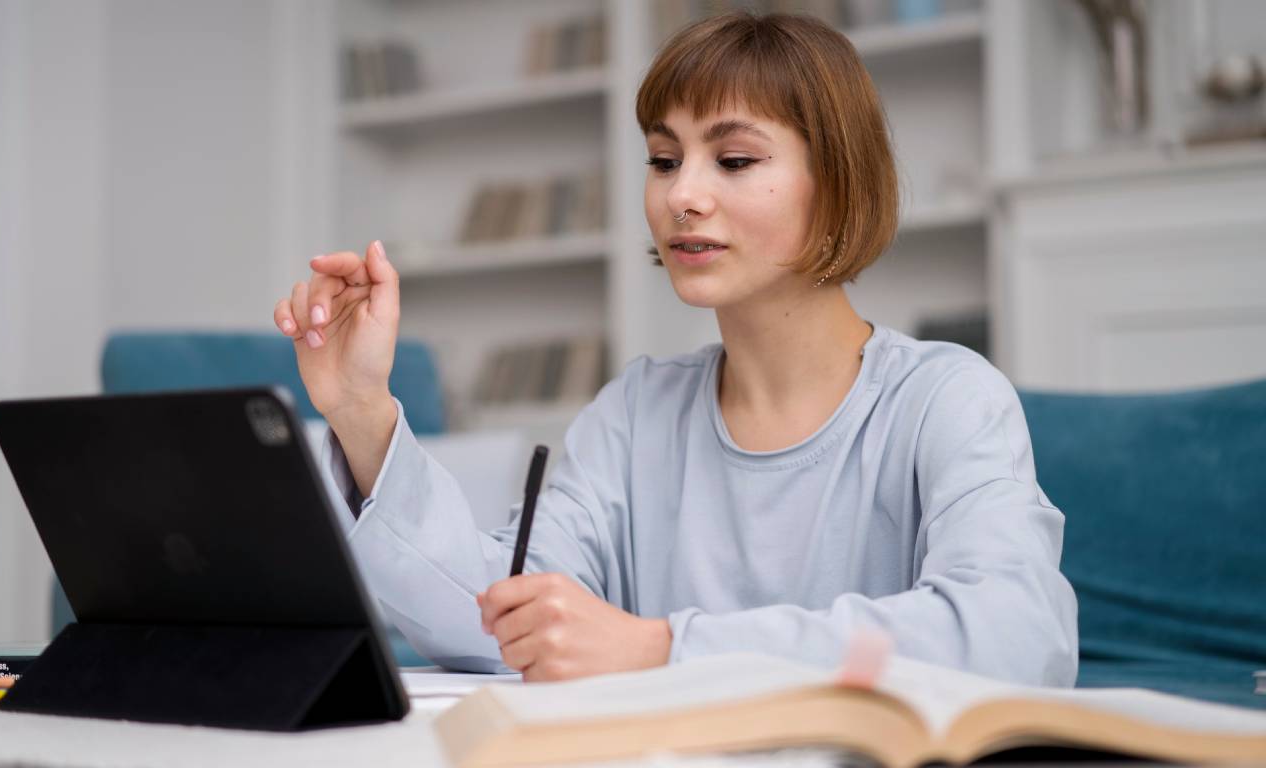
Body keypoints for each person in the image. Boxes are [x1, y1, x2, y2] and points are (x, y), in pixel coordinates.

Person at [272, 11, 1078, 686]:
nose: (681, 194)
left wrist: (663, 648)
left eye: (733, 160)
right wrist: (361, 410)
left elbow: (1017, 636)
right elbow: (502, 623)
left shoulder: (947, 398)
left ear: (837, 184)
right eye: (664, 160)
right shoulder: (636, 411)